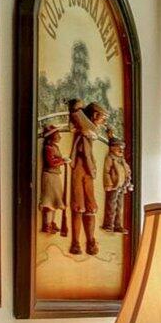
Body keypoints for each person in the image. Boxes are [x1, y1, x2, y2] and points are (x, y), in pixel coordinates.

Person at [65, 94, 102, 257]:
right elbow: (86, 151)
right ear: (94, 115)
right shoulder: (86, 128)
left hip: (84, 169)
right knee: (81, 206)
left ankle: (85, 241)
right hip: (82, 168)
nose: (103, 121)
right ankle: (80, 242)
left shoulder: (86, 128)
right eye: (102, 117)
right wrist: (77, 108)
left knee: (87, 206)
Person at [101, 127, 132, 235]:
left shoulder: (122, 160)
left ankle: (118, 225)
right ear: (112, 148)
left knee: (119, 207)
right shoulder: (110, 158)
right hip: (114, 186)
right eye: (119, 148)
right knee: (111, 205)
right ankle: (109, 224)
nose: (121, 151)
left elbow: (127, 171)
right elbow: (106, 171)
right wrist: (108, 183)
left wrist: (128, 182)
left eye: (122, 149)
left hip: (121, 186)